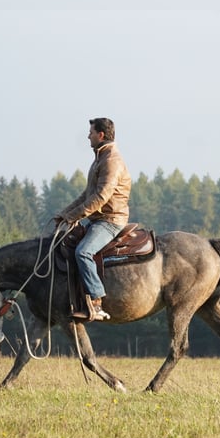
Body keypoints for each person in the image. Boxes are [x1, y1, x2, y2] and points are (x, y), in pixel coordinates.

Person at [54, 117, 132, 321]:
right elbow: (88, 194)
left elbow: (101, 197)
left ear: (101, 135)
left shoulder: (111, 160)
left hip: (110, 220)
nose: (88, 136)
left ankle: (96, 301)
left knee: (83, 252)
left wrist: (73, 216)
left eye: (90, 132)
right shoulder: (101, 158)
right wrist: (66, 213)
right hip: (99, 218)